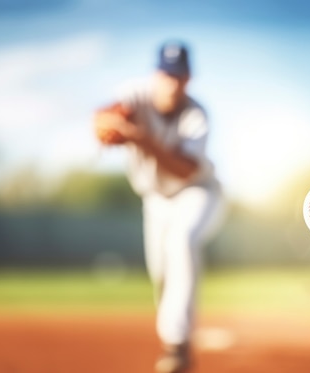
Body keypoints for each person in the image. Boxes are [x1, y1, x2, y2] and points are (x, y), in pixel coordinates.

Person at [93, 40, 225, 373]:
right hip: (155, 200)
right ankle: (177, 336)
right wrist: (106, 128)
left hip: (197, 192)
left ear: (188, 78)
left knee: (182, 241)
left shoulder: (196, 114)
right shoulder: (134, 95)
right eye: (166, 74)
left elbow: (183, 169)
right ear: (156, 74)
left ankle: (177, 346)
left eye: (177, 76)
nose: (171, 83)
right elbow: (102, 119)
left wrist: (140, 138)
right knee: (162, 275)